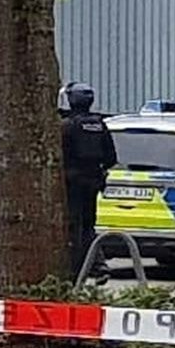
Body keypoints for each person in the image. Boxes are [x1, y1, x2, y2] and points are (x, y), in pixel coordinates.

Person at [60, 84, 117, 268]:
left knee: (73, 225)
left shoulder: (67, 126)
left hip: (72, 182)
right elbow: (111, 157)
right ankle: (97, 263)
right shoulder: (100, 125)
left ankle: (80, 266)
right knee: (88, 224)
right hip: (93, 181)